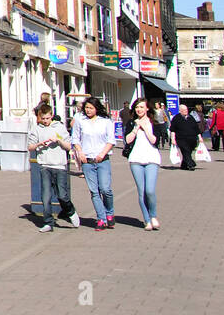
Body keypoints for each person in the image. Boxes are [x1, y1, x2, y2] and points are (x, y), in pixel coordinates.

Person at [28, 103, 78, 232]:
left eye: (47, 118)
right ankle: (48, 222)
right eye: (43, 119)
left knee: (62, 195)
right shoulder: (36, 129)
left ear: (51, 117)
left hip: (59, 165)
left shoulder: (59, 127)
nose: (45, 121)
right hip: (45, 165)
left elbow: (68, 146)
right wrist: (40, 143)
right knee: (46, 196)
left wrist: (58, 141)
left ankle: (71, 211)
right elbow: (30, 147)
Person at [72, 96, 116, 230]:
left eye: (91, 108)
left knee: (105, 189)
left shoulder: (105, 121)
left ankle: (109, 212)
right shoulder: (81, 121)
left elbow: (111, 140)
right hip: (87, 161)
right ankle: (101, 218)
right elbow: (76, 139)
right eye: (86, 108)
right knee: (94, 191)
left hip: (102, 159)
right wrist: (80, 153)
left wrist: (102, 153)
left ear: (97, 108)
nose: (88, 110)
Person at [123, 97, 161, 230]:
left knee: (150, 190)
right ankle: (147, 220)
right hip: (136, 159)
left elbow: (154, 141)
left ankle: (153, 215)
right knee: (141, 191)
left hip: (152, 158)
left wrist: (145, 127)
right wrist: (135, 128)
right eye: (137, 107)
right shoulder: (131, 123)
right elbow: (127, 140)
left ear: (147, 108)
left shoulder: (153, 122)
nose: (139, 109)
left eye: (141, 107)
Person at [170, 103, 202, 170]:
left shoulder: (191, 117)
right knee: (186, 151)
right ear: (180, 111)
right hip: (181, 139)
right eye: (183, 110)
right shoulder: (176, 118)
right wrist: (173, 139)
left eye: (186, 109)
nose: (186, 111)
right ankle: (191, 164)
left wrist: (200, 137)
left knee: (188, 152)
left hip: (192, 139)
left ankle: (184, 165)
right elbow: (172, 129)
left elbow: (196, 128)